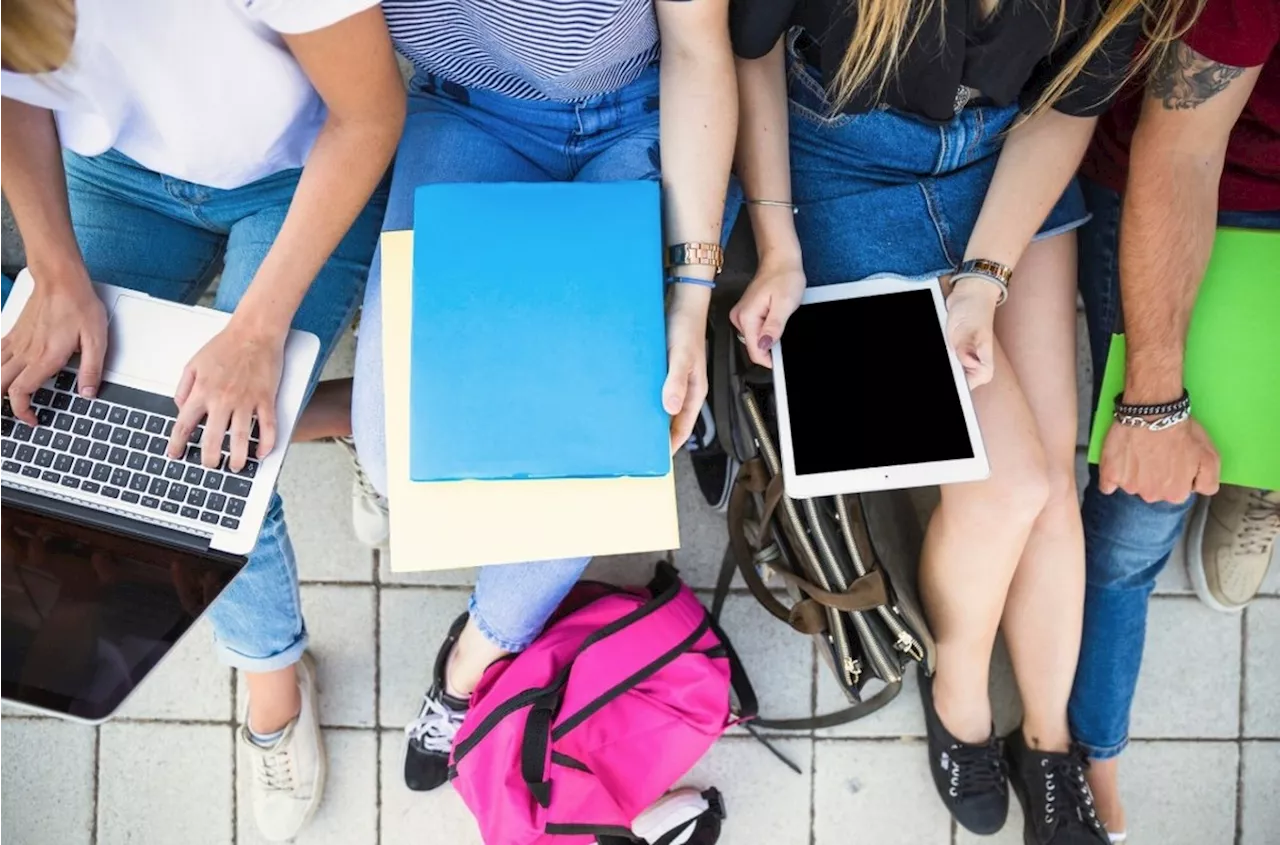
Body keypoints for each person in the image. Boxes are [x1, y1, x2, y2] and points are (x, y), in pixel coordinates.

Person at [727, 0, 1190, 842]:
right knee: (1009, 487)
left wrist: (984, 275)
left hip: (1009, 159)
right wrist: (777, 242)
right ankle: (960, 694)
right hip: (840, 159)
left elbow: (1067, 108)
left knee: (1052, 481)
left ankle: (1048, 743)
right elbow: (750, 53)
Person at [0, 0, 405, 839]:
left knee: (215, 460)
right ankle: (365, 420)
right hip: (113, 170)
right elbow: (11, 83)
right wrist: (53, 266)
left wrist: (254, 333)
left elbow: (370, 114)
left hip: (297, 170)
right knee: (47, 418)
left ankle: (273, 684)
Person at [348, 0, 739, 795]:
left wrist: (692, 296)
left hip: (645, 110)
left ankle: (475, 655)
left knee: (597, 440)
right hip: (460, 111)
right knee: (396, 460)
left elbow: (699, 51)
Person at [1069, 0, 1279, 839]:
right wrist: (1155, 399)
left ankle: (1252, 471)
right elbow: (1183, 148)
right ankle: (1093, 749)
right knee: (1135, 520)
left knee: (1240, 440)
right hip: (1210, 184)